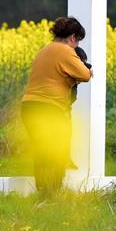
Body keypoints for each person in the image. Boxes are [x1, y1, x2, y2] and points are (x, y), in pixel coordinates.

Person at [20, 17, 92, 194]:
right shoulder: (66, 51)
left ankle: (42, 193)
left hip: (29, 107)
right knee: (58, 150)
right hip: (50, 108)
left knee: (42, 151)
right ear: (72, 37)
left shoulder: (44, 50)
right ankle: (53, 193)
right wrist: (88, 70)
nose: (77, 46)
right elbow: (84, 74)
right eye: (78, 41)